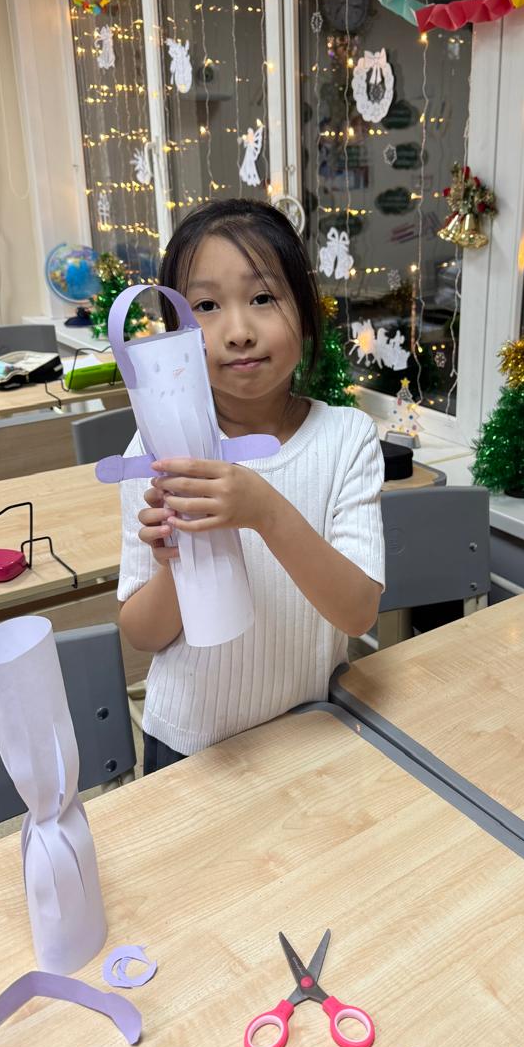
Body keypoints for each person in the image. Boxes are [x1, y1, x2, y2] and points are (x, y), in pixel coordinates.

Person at [118, 200, 385, 771]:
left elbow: (358, 613)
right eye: (206, 306)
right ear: (176, 335)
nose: (238, 332)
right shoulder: (158, 448)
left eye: (263, 298)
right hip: (192, 743)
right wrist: (174, 564)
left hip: (310, 731)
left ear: (305, 314)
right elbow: (141, 634)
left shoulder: (347, 437)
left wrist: (265, 510)